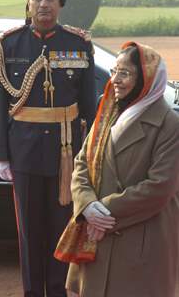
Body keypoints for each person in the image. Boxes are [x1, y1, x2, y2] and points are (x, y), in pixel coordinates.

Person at [0, 0, 96, 295]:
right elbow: (0, 106)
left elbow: (89, 108)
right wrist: (1, 155)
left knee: (61, 228)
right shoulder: (9, 44)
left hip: (66, 153)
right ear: (28, 2)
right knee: (29, 233)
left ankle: (57, 290)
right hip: (23, 153)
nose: (44, 4)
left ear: (61, 2)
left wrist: (89, 156)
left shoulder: (79, 44)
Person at [59, 42, 179, 297]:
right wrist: (87, 206)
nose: (115, 79)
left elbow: (160, 186)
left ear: (147, 79)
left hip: (142, 240)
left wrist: (104, 212)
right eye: (114, 71)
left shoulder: (169, 124)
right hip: (97, 237)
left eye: (125, 73)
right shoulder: (108, 110)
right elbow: (82, 162)